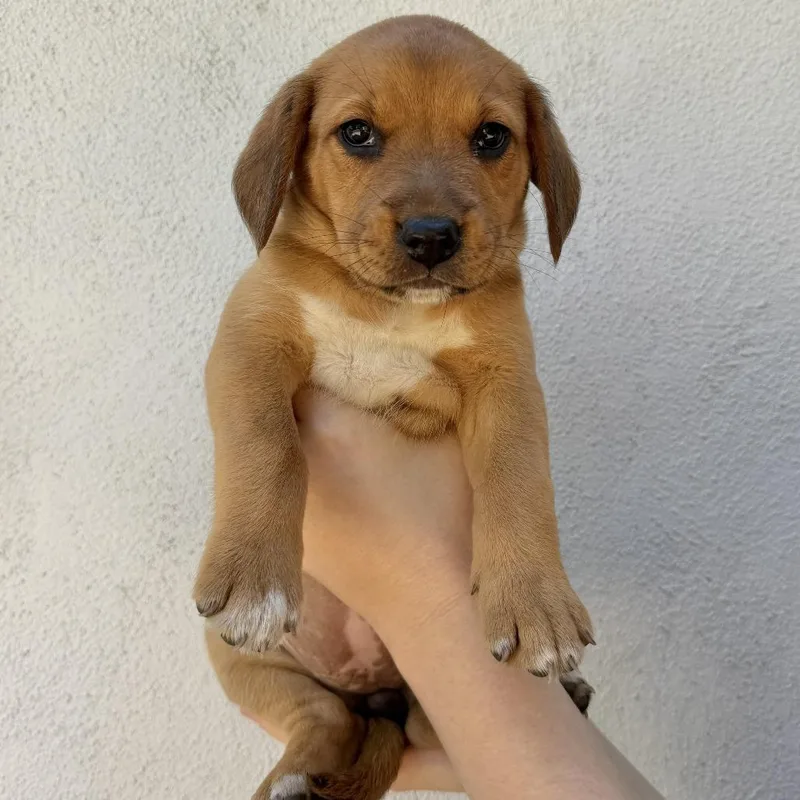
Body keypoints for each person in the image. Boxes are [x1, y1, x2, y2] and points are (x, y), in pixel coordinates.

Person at [242, 390, 664, 799]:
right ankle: (319, 724)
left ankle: (424, 721)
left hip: (430, 656)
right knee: (235, 641)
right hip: (295, 646)